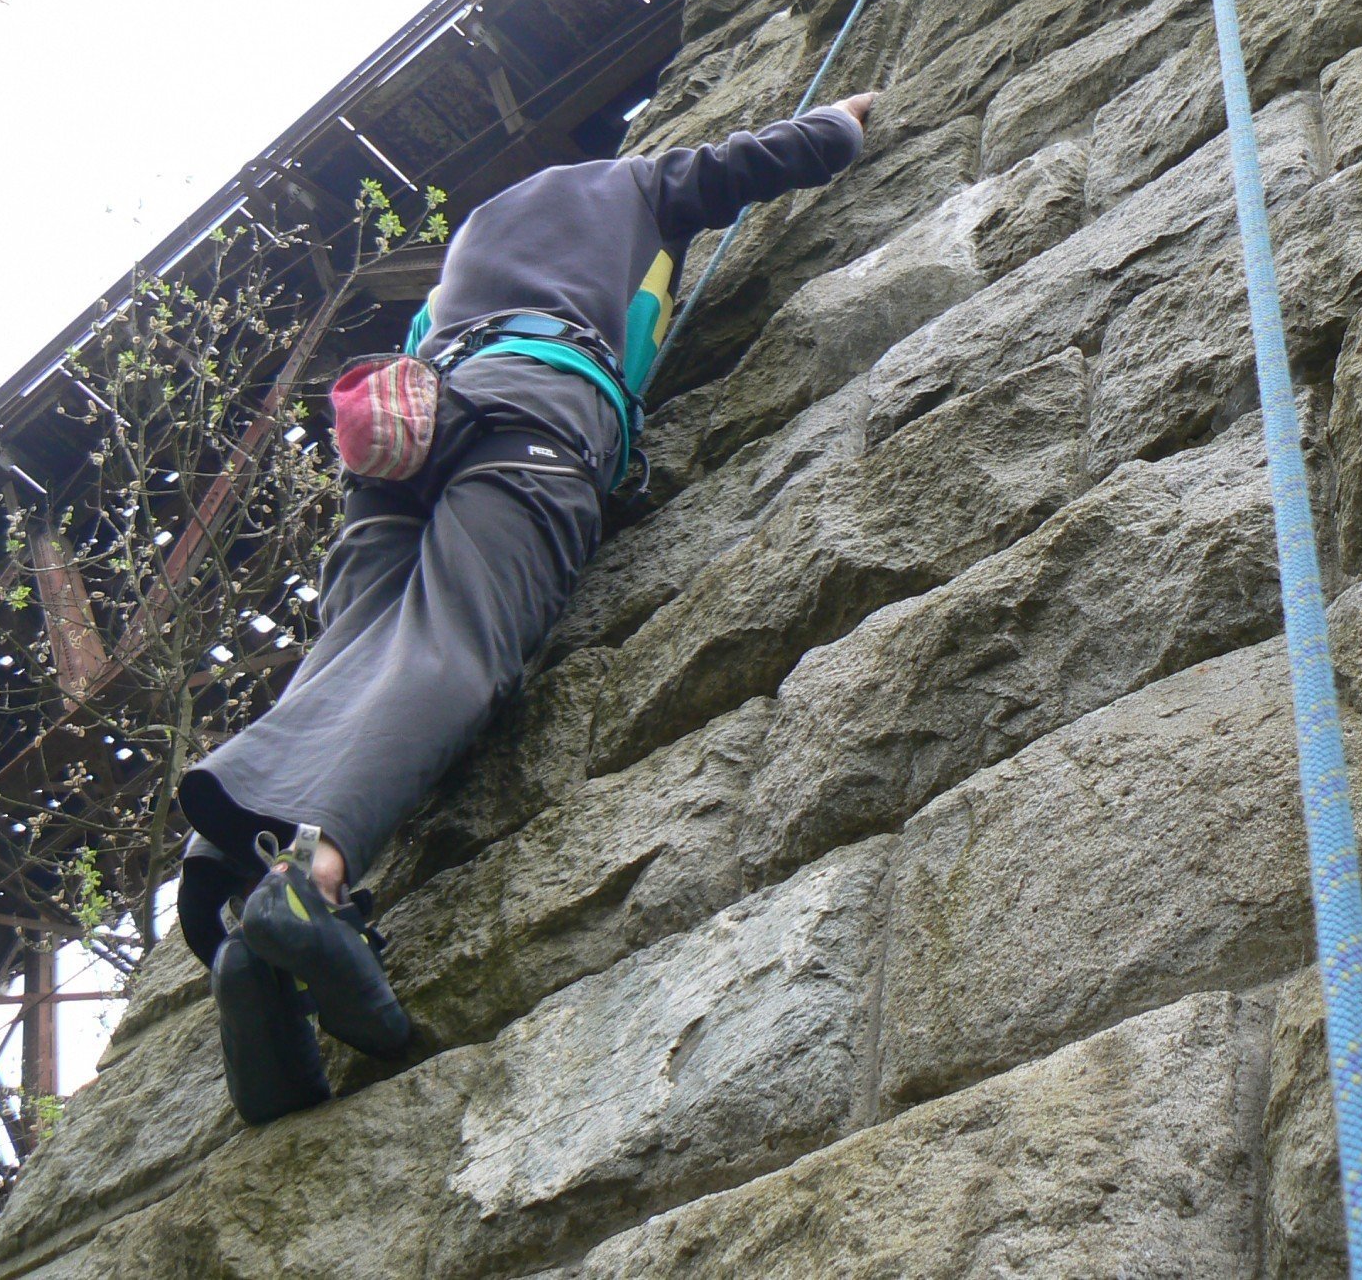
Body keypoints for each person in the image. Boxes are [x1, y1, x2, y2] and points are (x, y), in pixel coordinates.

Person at [171, 94, 876, 1124]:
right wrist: (849, 120)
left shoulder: (472, 238)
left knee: (345, 656)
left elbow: (429, 345)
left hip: (406, 424)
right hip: (534, 407)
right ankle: (306, 886)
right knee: (455, 646)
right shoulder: (628, 183)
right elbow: (766, 159)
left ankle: (249, 936)